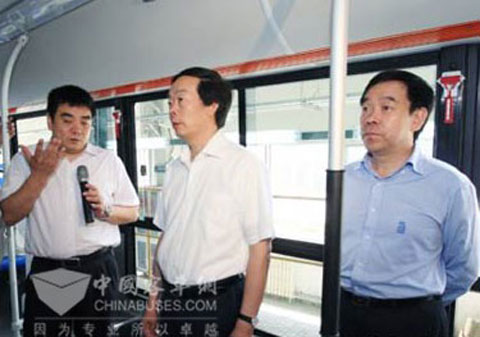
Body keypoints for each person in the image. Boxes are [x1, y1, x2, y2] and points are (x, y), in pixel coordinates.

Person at [340, 70, 480, 337]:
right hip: (345, 312)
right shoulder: (343, 178)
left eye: (386, 107)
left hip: (412, 321)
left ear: (417, 117)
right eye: (365, 107)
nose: (370, 117)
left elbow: (464, 268)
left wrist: (417, 303)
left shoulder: (451, 186)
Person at [142, 67, 274, 337]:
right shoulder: (174, 168)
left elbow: (260, 248)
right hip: (170, 300)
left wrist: (246, 321)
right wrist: (153, 303)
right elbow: (165, 238)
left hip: (216, 303)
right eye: (169, 102)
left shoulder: (243, 165)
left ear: (212, 106)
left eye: (180, 100)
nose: (172, 110)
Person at [0, 85, 140, 337]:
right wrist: (40, 175)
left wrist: (105, 209)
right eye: (67, 120)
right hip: (51, 270)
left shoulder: (107, 160)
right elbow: (9, 215)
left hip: (98, 266)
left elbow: (132, 212)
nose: (77, 129)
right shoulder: (27, 160)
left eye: (85, 121)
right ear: (50, 121)